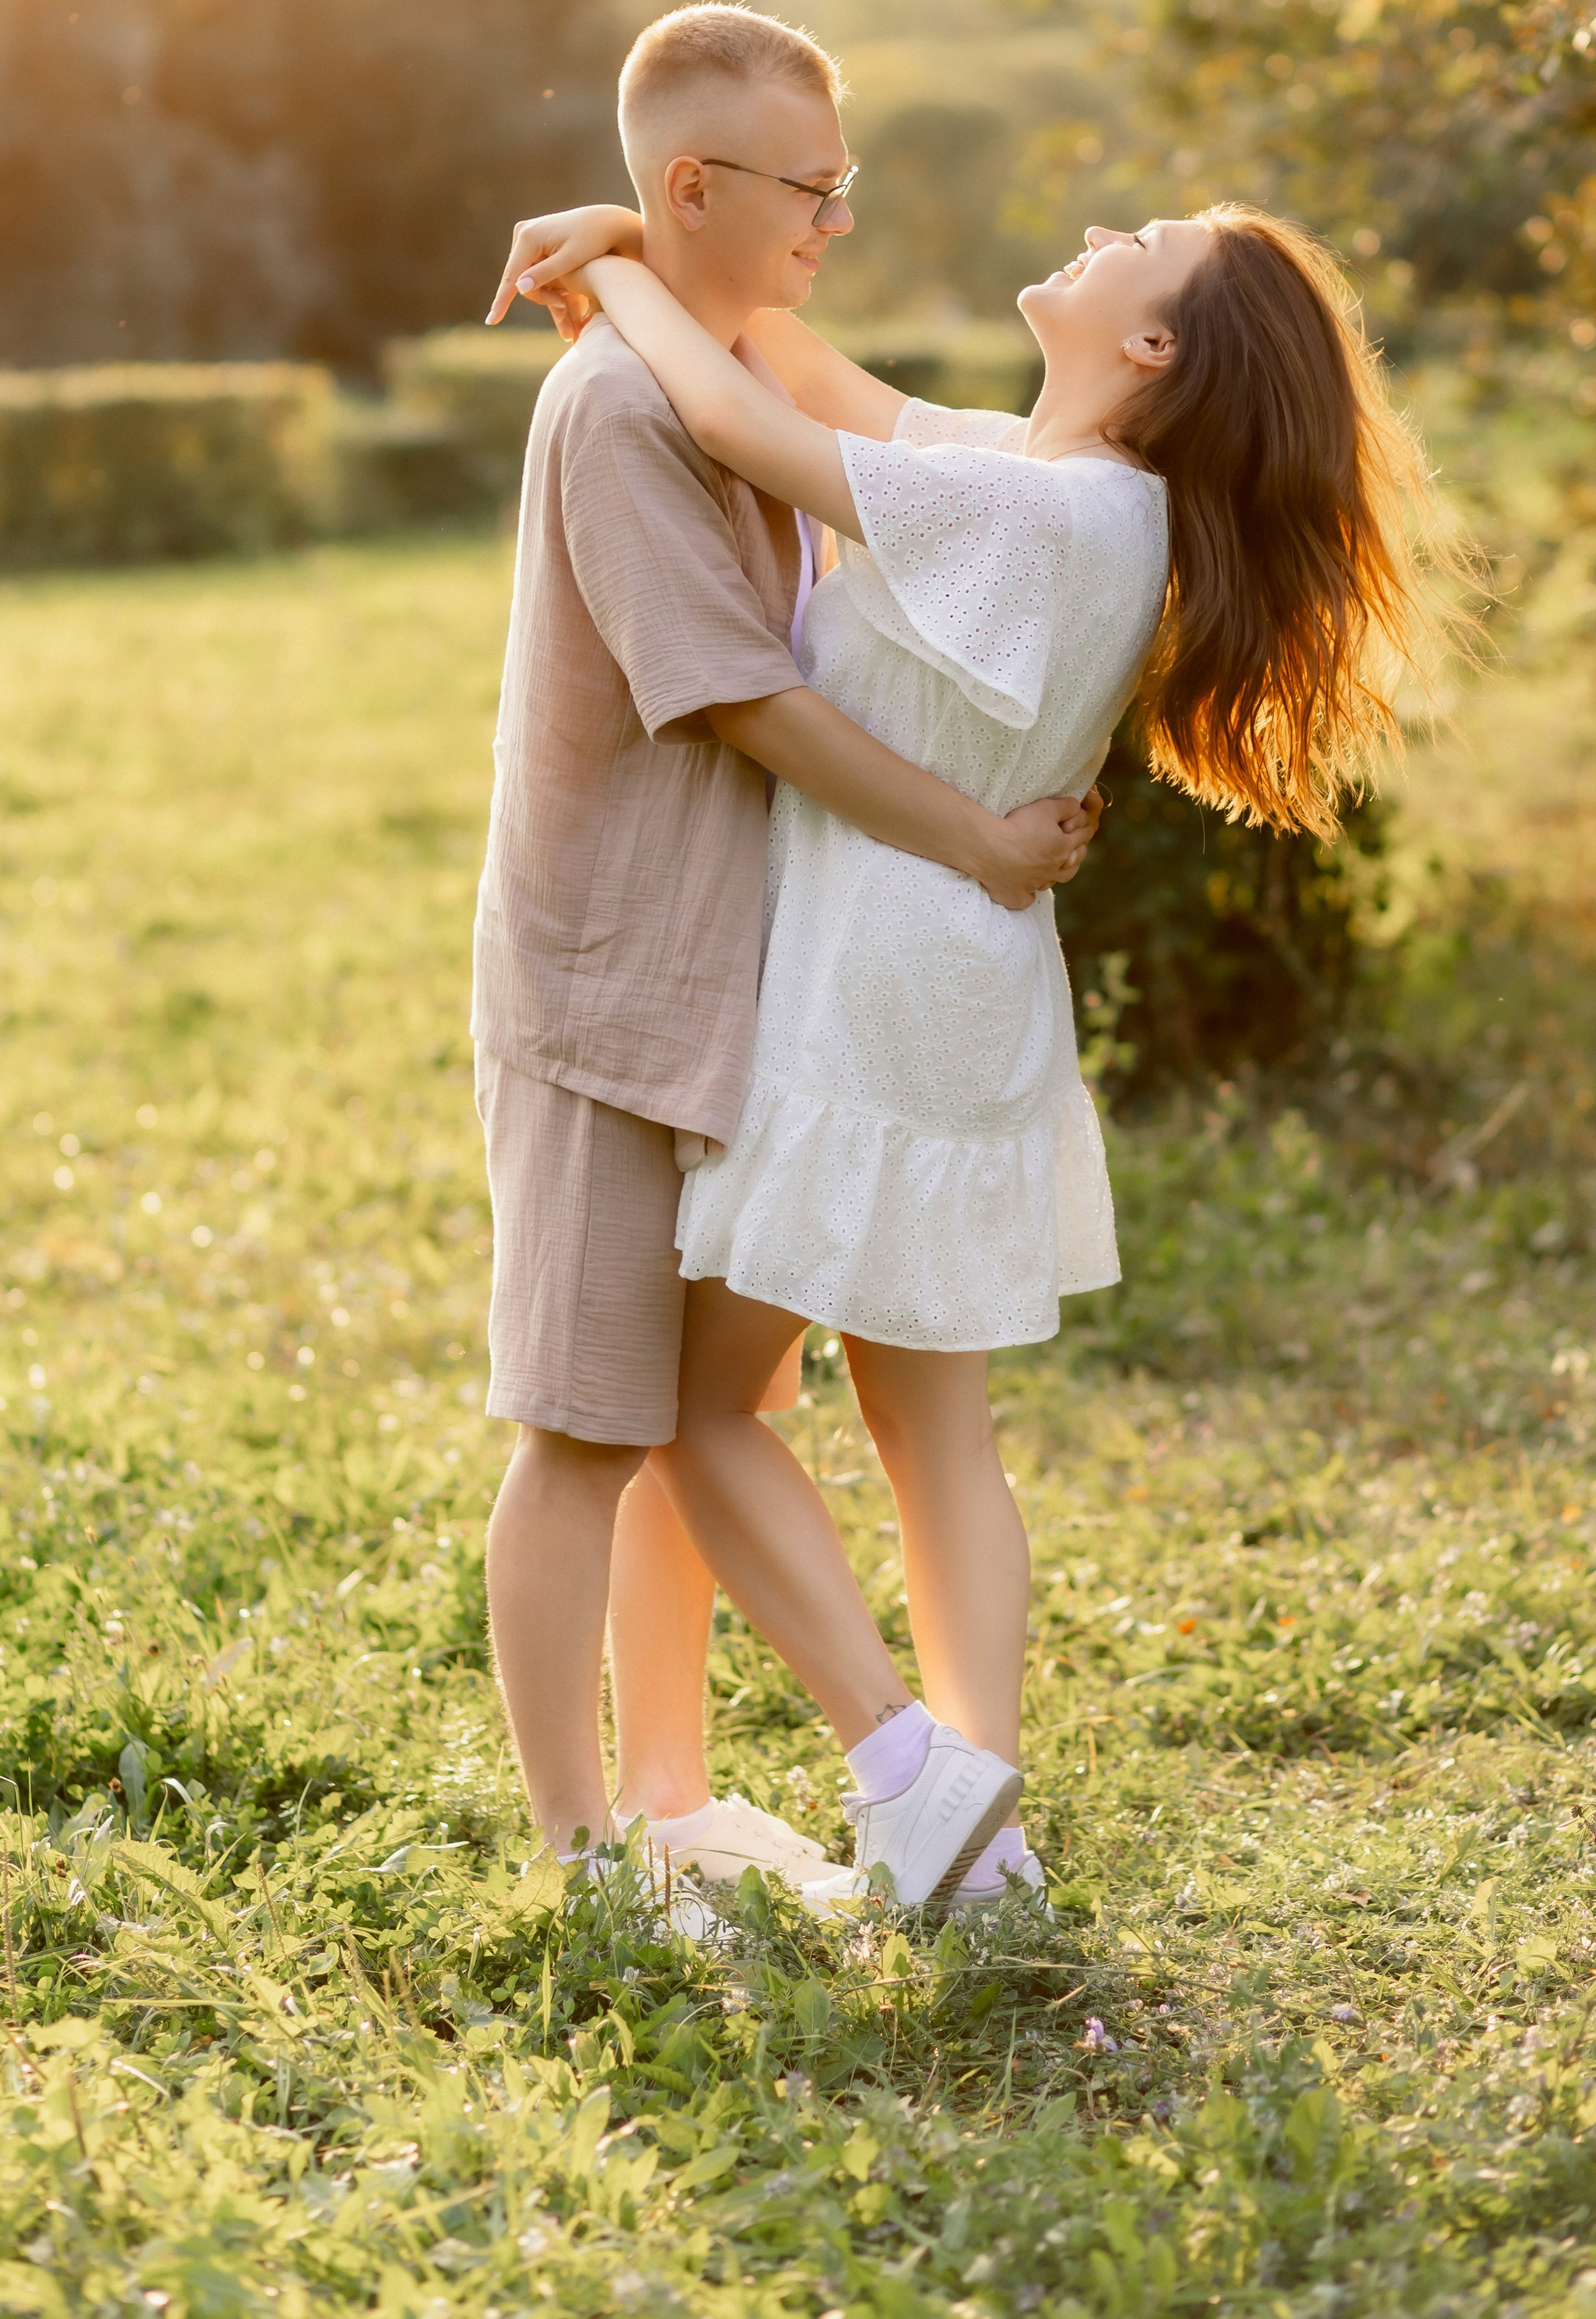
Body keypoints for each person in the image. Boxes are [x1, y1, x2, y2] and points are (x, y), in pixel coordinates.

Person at [499, 193, 1453, 1904]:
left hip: (865, 971)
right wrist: (650, 228)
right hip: (972, 988)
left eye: (1139, 240)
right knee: (932, 1428)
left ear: (1150, 348)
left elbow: (730, 414)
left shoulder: (1028, 515)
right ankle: (969, 1833)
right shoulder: (1058, 495)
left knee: (695, 1410)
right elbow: (789, 356)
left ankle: (897, 1763)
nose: (1099, 227)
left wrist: (621, 276)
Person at [470, 3, 1098, 1893]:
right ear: (696, 186)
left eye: (842, 186)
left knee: (706, 1409)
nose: (834, 222)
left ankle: (678, 1799)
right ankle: (586, 1853)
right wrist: (976, 837)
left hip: (725, 979)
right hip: (605, 990)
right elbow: (739, 700)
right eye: (808, 190)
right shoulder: (615, 408)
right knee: (582, 1429)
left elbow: (821, 403)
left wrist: (624, 249)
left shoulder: (722, 363)